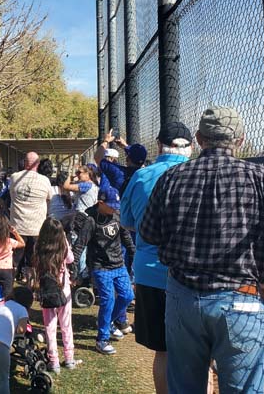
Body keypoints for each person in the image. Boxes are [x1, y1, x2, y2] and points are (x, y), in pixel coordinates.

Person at [140, 106, 264, 393]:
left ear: (199, 139)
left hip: (183, 298)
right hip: (242, 299)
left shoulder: (172, 178)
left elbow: (150, 234)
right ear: (240, 140)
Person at [120, 121, 194, 394]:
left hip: (151, 272)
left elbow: (127, 221)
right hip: (192, 274)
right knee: (200, 355)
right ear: (192, 145)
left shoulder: (142, 176)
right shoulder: (196, 173)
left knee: (162, 351)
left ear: (159, 144)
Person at [88, 186, 134, 355]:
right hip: (101, 267)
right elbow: (80, 244)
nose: (115, 207)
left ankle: (108, 322)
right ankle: (102, 339)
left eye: (117, 204)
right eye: (112, 204)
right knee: (107, 300)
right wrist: (74, 268)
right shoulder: (91, 220)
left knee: (127, 295)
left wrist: (133, 252)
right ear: (101, 203)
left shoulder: (116, 215)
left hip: (118, 264)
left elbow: (126, 236)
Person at [33, 218, 80, 374]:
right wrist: (66, 241)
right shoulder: (63, 247)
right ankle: (69, 358)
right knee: (66, 326)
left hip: (46, 293)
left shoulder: (39, 248)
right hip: (63, 292)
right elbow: (71, 259)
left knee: (50, 327)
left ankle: (53, 361)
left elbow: (35, 265)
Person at [8, 152, 52, 284]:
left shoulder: (15, 177)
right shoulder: (45, 181)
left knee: (13, 260)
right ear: (37, 164)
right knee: (33, 261)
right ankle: (31, 285)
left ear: (25, 163)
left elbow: (11, 195)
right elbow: (49, 199)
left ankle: (8, 285)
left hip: (17, 226)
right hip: (36, 227)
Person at [0, 286, 34, 394]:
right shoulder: (22, 310)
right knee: (3, 378)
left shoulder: (0, 305)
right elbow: (21, 330)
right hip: (1, 347)